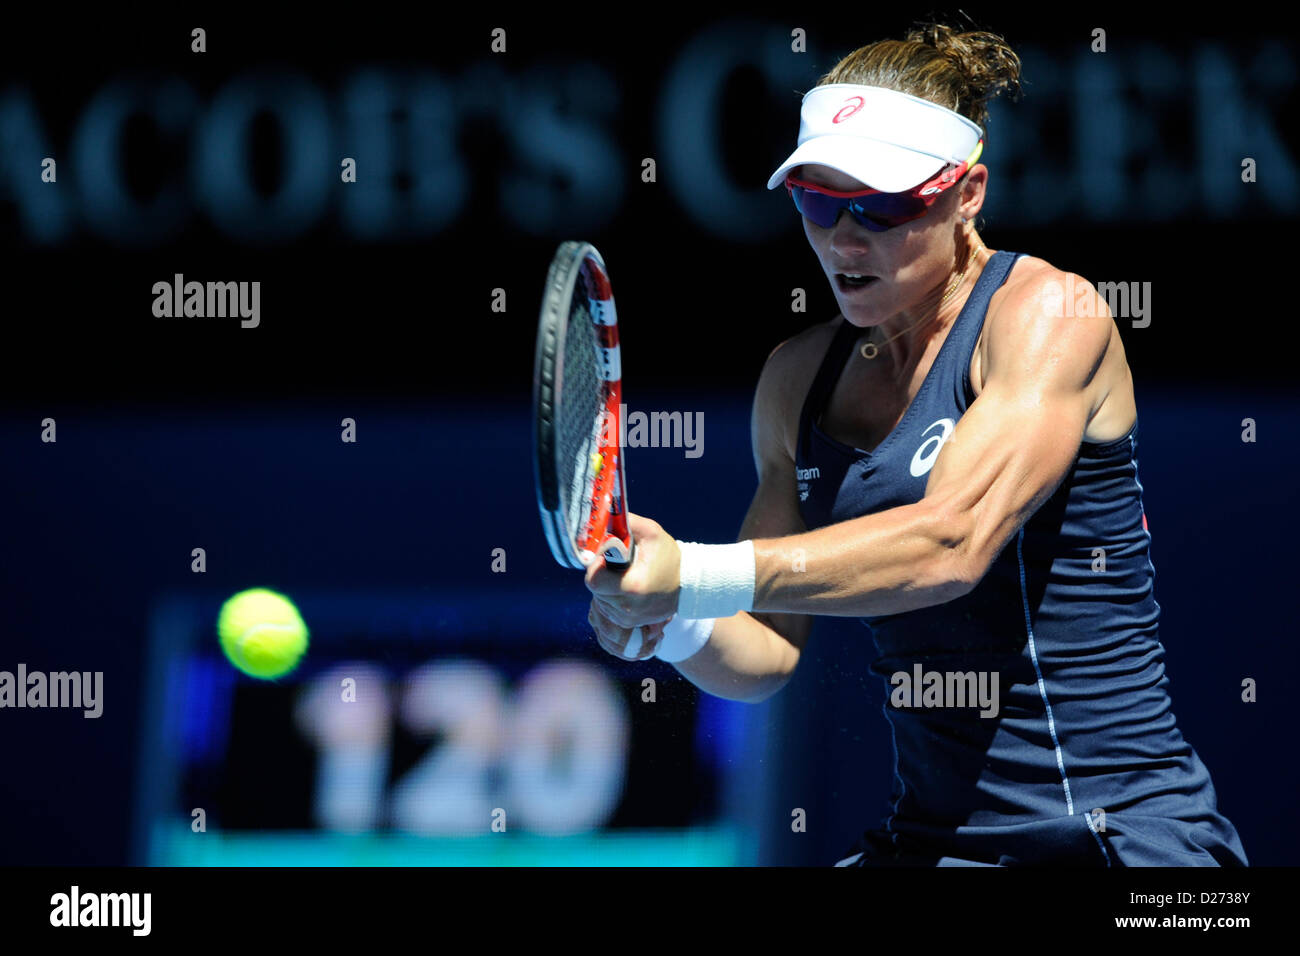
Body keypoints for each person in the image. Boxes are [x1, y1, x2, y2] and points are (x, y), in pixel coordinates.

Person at [585, 21, 1246, 866]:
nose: (845, 238)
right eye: (819, 202)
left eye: (885, 206)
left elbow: (950, 545)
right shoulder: (795, 380)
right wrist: (671, 616)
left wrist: (699, 571)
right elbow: (766, 645)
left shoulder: (1049, 314)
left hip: (1126, 841)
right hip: (935, 846)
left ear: (966, 192)